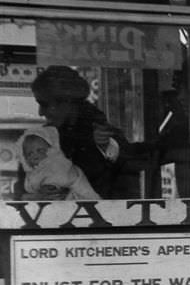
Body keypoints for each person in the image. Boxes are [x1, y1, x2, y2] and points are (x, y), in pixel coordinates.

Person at [19, 65, 130, 199]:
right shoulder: (38, 140)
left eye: (45, 104)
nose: (40, 112)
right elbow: (19, 195)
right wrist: (34, 197)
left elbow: (127, 192)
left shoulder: (108, 140)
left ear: (67, 101)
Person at [16, 126, 98, 200]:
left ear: (53, 150)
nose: (35, 155)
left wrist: (51, 186)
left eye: (40, 150)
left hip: (80, 200)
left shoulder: (59, 163)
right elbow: (29, 188)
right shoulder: (32, 172)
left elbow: (62, 180)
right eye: (29, 153)